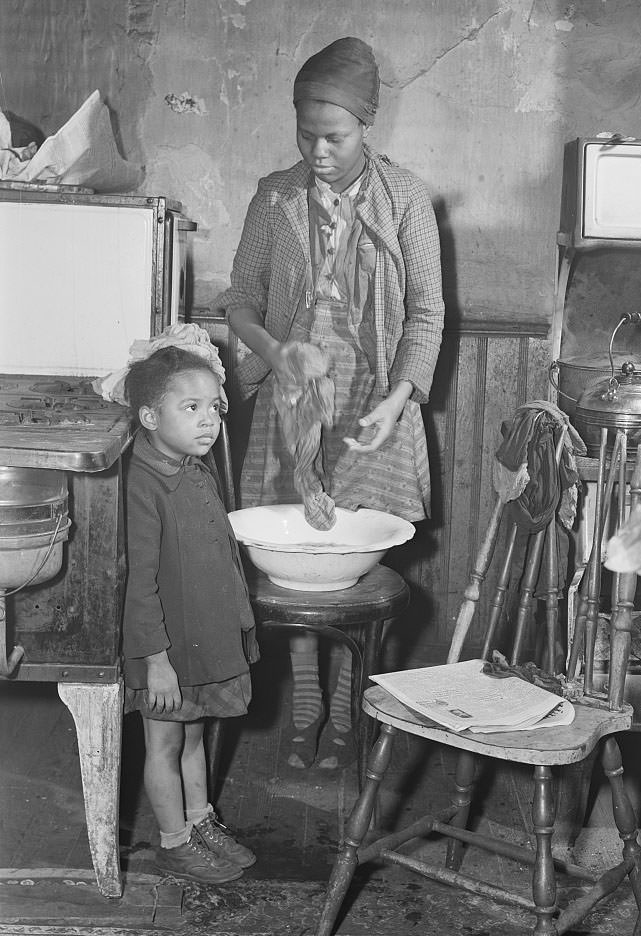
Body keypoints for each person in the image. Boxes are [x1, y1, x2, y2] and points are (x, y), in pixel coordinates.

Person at [215, 36, 444, 770]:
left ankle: (349, 690)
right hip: (293, 399)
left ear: (365, 126)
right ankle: (308, 694)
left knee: (355, 551)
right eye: (306, 132)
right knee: (299, 551)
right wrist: (279, 354)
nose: (318, 149)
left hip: (375, 401)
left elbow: (428, 313)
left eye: (335, 135)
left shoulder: (405, 197)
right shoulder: (273, 197)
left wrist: (400, 397)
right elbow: (241, 303)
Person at [121, 345, 260, 884]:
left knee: (195, 735)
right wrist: (155, 660)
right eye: (191, 407)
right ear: (150, 418)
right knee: (165, 741)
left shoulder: (193, 470)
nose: (208, 419)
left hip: (201, 638)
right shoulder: (142, 483)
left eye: (215, 408)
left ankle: (199, 821)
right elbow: (139, 584)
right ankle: (174, 840)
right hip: (165, 649)